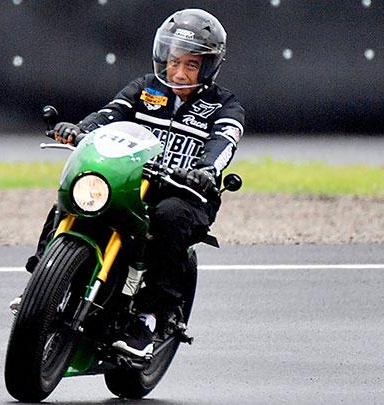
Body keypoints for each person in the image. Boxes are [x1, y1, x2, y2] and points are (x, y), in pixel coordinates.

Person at [13, 8, 245, 359]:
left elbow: (224, 142)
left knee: (169, 219)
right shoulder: (144, 88)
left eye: (191, 65)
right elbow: (111, 114)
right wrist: (80, 129)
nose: (179, 72)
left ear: (208, 67)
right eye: (174, 61)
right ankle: (42, 283)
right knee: (81, 193)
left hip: (185, 192)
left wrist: (206, 170)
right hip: (132, 180)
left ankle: (148, 319)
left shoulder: (224, 105)